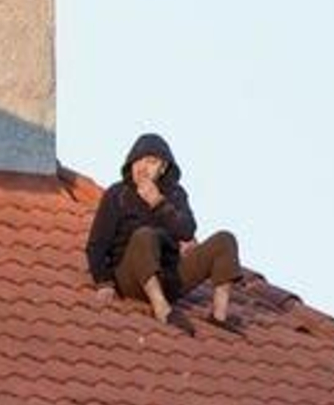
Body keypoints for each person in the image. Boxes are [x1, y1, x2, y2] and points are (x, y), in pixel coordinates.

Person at [85, 132, 242, 332]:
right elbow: (96, 245)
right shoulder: (117, 194)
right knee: (145, 235)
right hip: (131, 277)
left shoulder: (175, 194)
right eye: (137, 161)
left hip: (169, 276)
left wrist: (158, 202)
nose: (142, 167)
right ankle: (162, 309)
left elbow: (187, 230)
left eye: (150, 162)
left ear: (163, 168)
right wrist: (104, 282)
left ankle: (219, 317)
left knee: (225, 240)